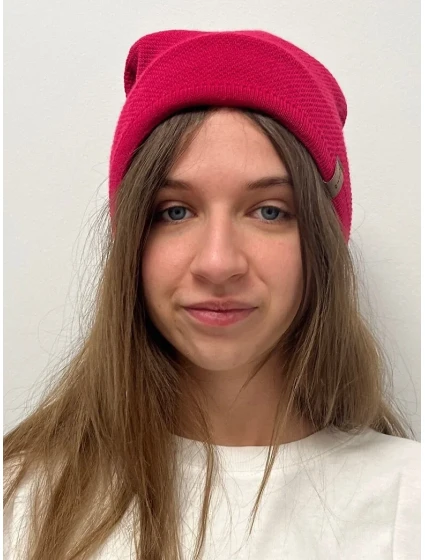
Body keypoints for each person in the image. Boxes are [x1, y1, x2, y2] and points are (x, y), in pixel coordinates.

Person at [3, 29, 420, 560]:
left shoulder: (408, 500)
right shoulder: (23, 500)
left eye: (269, 211)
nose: (218, 263)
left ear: (321, 244)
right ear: (132, 244)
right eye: (175, 212)